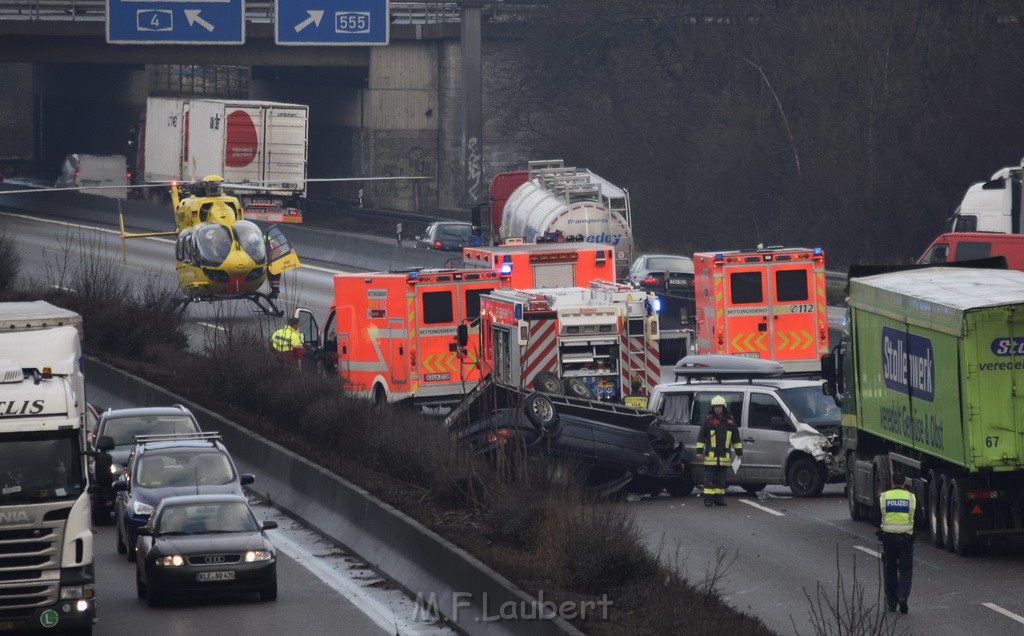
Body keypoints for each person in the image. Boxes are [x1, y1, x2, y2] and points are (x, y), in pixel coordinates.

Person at [878, 473, 916, 614]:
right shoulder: (911, 498)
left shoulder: (884, 497)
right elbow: (920, 518)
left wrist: (881, 526)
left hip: (888, 539)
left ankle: (892, 603)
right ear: (904, 482)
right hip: (906, 539)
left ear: (892, 482)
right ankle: (903, 597)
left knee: (890, 570)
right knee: (906, 570)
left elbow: (874, 517)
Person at [695, 395, 742, 507]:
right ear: (713, 408)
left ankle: (719, 500)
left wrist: (739, 453)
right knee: (710, 480)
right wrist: (699, 451)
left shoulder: (730, 421)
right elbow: (701, 436)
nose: (717, 409)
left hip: (724, 457)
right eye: (715, 407)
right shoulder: (708, 420)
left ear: (723, 407)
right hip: (711, 457)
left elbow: (736, 438)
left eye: (719, 407)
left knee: (721, 481)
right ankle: (708, 500)